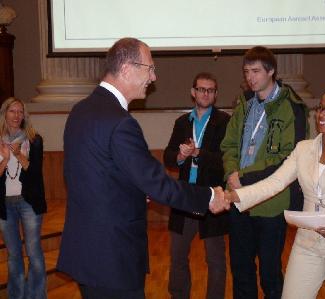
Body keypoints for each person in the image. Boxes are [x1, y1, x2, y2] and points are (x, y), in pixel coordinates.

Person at [56, 38, 229, 299]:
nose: (154, 76)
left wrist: (134, 190)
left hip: (86, 251)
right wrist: (210, 196)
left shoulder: (81, 110)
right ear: (127, 69)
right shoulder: (120, 122)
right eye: (150, 68)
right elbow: (157, 183)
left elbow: (96, 174)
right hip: (112, 258)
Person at [226, 81, 325, 299]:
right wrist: (236, 195)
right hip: (307, 244)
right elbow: (275, 182)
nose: (321, 114)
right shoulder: (303, 149)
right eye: (320, 108)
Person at [220, 46, 308, 299]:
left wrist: (244, 177)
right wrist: (231, 173)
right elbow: (228, 145)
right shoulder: (244, 105)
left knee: (269, 273)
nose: (250, 77)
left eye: (256, 71)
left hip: (271, 203)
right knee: (240, 268)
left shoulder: (293, 107)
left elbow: (290, 157)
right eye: (247, 71)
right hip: (239, 199)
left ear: (271, 71)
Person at [164, 72, 230, 299]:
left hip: (211, 196)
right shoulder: (182, 122)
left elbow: (225, 160)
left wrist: (198, 152)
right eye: (201, 89)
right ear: (193, 92)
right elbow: (168, 157)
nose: (205, 93)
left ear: (215, 94)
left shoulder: (223, 122)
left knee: (215, 258)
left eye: (210, 90)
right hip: (184, 196)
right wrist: (181, 156)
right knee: (178, 255)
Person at [0, 97, 47, 299]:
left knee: (34, 253)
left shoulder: (34, 139)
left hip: (28, 202)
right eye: (13, 111)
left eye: (20, 112)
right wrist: (5, 160)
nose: (17, 116)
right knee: (13, 256)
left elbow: (35, 173)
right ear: (4, 114)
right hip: (4, 204)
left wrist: (19, 155)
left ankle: (36, 295)